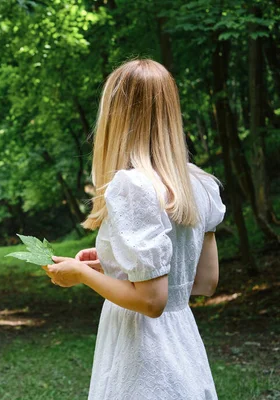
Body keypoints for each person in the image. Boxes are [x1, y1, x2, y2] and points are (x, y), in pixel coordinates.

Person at [42, 58, 226, 400]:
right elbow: (203, 282)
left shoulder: (132, 186)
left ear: (116, 116)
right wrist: (114, 263)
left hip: (142, 351)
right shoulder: (199, 183)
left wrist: (81, 274)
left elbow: (152, 301)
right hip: (183, 343)